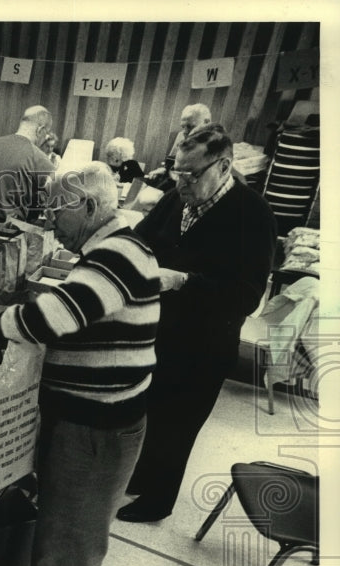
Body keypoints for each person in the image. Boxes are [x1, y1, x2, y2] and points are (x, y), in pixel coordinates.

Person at [0, 162, 162, 566]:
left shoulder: (115, 256)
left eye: (57, 210)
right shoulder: (112, 249)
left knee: (73, 537)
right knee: (58, 521)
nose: (51, 222)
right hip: (89, 420)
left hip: (98, 430)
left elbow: (60, 314)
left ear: (90, 207)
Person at [118, 123, 277, 523]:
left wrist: (183, 280)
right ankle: (139, 476)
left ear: (223, 167)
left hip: (205, 346)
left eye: (191, 174)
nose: (181, 182)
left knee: (178, 425)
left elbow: (246, 295)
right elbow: (140, 239)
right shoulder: (176, 198)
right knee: (150, 410)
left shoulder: (253, 215)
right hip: (160, 332)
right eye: (176, 170)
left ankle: (158, 502)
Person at [0, 105, 56, 222]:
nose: (45, 138)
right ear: (40, 130)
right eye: (46, 133)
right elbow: (57, 200)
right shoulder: (37, 157)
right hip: (9, 232)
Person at [144, 103, 211, 190]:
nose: (185, 132)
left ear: (206, 122)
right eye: (183, 127)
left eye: (190, 127)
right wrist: (165, 171)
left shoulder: (214, 148)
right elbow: (176, 165)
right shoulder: (184, 141)